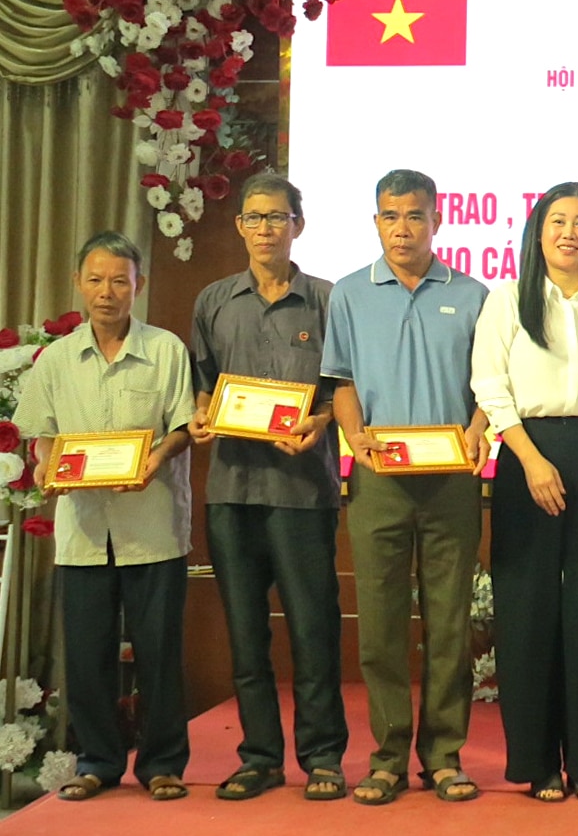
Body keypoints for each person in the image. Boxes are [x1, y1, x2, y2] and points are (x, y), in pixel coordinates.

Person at [321, 169, 489, 805]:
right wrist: (355, 436)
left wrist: (476, 429)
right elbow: (339, 383)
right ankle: (387, 756)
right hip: (378, 480)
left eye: (415, 216)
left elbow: (487, 391)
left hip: (451, 482)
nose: (402, 228)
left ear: (437, 220)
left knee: (449, 624)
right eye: (390, 216)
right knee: (382, 627)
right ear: (375, 222)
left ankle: (444, 756)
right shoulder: (348, 295)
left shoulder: (473, 295)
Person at [470, 181, 578, 803]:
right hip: (526, 456)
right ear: (537, 232)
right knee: (528, 611)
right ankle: (538, 762)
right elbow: (490, 386)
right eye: (557, 221)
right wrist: (532, 461)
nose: (570, 232)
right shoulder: (508, 299)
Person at [13, 232, 194, 801]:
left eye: (120, 280)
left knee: (159, 652)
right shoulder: (56, 359)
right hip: (84, 531)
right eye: (96, 280)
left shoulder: (166, 349)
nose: (107, 292)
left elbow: (185, 427)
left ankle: (162, 763)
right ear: (78, 284)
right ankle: (97, 761)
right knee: (87, 655)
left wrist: (153, 461)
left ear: (138, 286)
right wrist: (45, 468)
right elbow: (42, 435)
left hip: (153, 526)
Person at [188, 173, 349, 801]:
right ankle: (258, 756)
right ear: (239, 227)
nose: (264, 229)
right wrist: (203, 413)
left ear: (298, 226)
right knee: (246, 630)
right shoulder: (213, 301)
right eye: (253, 218)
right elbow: (204, 382)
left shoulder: (329, 301)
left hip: (304, 491)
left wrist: (323, 418)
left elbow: (346, 390)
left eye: (277, 218)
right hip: (232, 489)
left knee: (314, 630)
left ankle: (324, 756)